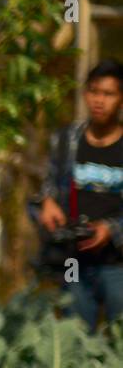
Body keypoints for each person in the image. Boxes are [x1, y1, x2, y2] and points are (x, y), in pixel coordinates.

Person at [35, 58, 123, 331]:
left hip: (116, 263)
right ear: (85, 94)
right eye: (94, 92)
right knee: (76, 337)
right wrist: (48, 203)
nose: (99, 101)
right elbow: (50, 183)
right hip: (73, 260)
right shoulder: (67, 140)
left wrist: (110, 230)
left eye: (108, 94)